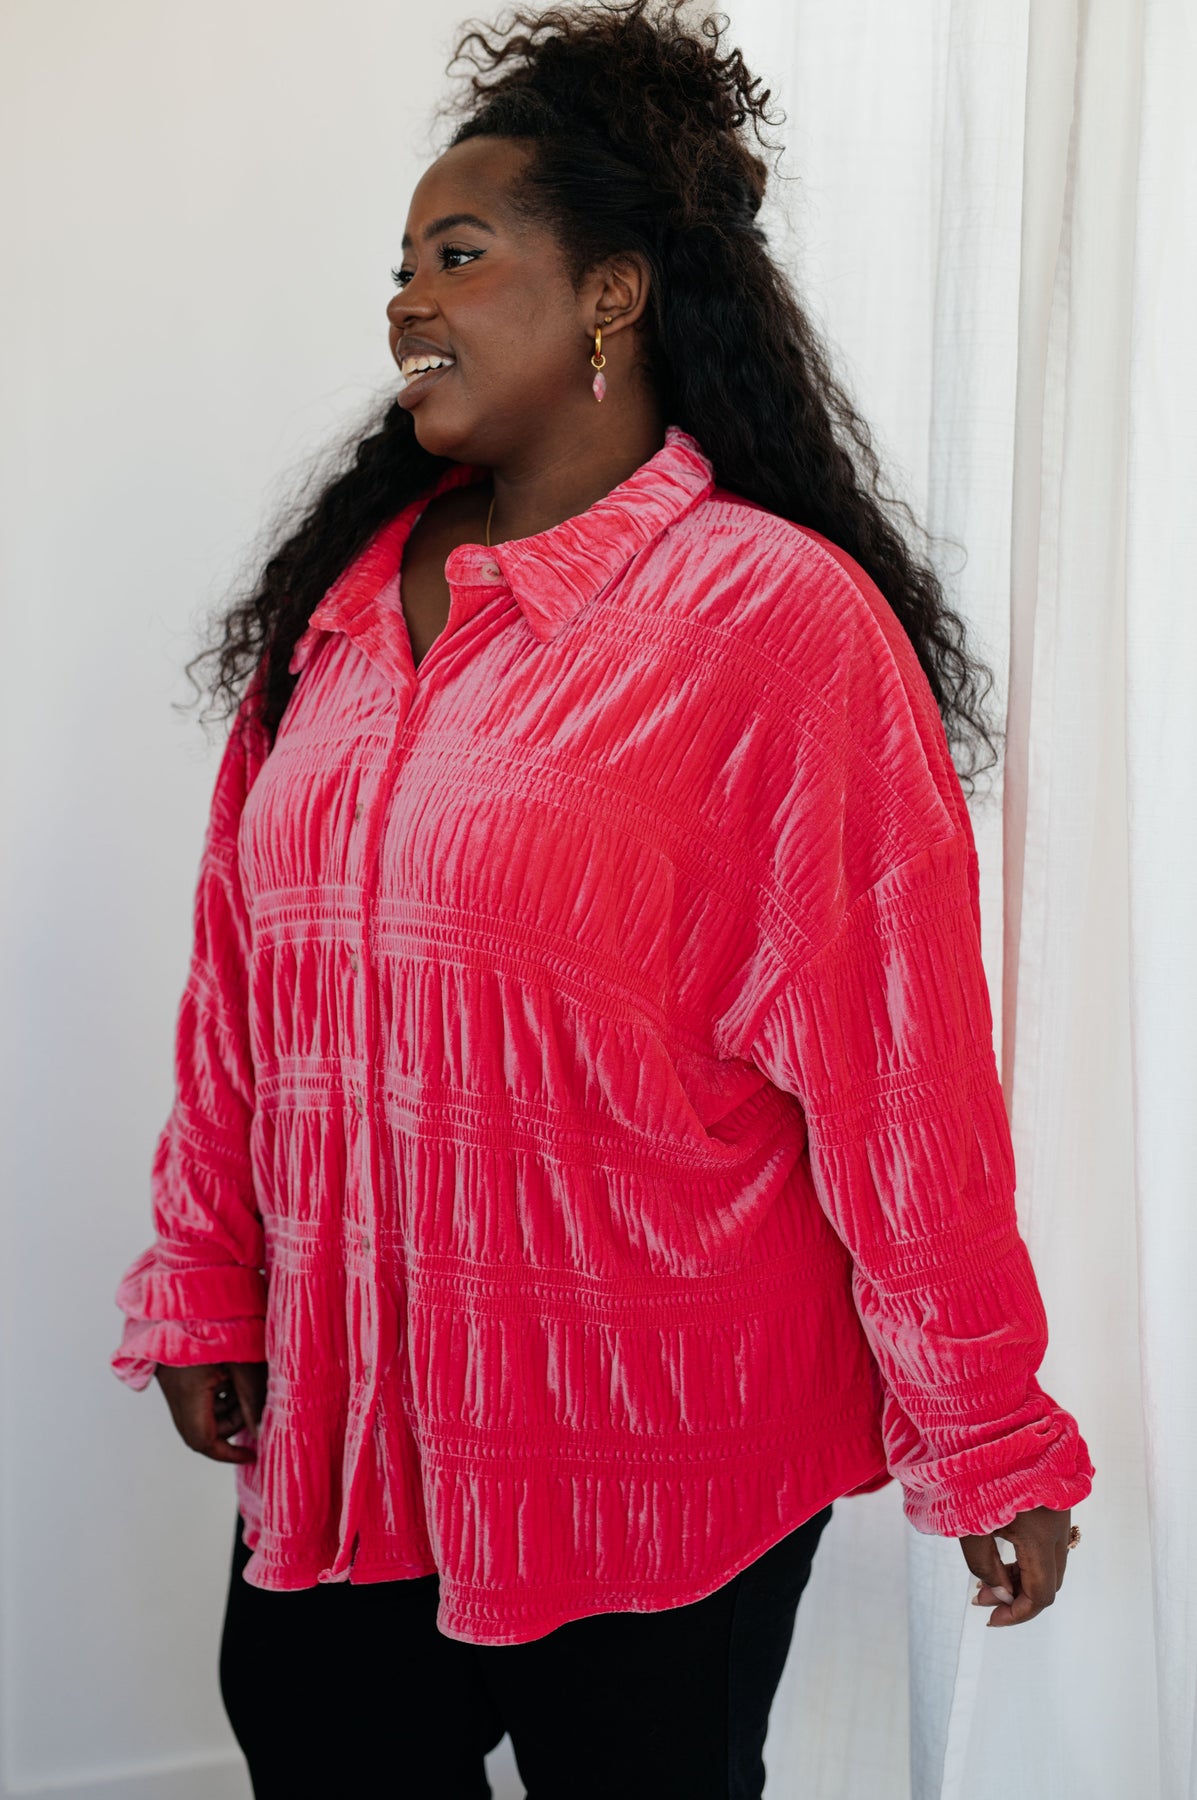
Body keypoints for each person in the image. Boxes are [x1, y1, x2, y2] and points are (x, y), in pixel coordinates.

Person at [111, 2, 1094, 1794]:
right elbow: (237, 989)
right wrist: (206, 1283)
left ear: (612, 297)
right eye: (399, 267)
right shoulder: (340, 608)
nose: (406, 302)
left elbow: (900, 1072)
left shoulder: (771, 624)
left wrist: (987, 1434)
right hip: (354, 1429)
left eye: (459, 255)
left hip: (662, 1452)